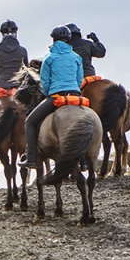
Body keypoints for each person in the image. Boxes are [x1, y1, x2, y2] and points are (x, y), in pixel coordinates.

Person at [19, 25, 83, 169]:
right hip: (75, 95)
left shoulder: (49, 57)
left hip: (56, 96)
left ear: (53, 40)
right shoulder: (76, 57)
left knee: (29, 122)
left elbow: (45, 81)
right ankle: (84, 161)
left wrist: (49, 94)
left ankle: (31, 159)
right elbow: (79, 79)